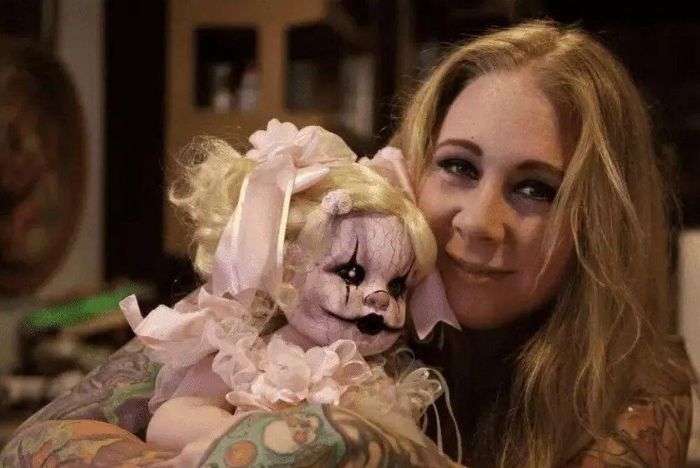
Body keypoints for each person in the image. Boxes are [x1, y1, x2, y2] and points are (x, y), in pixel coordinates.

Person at [0, 19, 693, 467]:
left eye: (536, 189)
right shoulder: (295, 293)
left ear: (598, 221)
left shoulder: (637, 379)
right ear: (408, 169)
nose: (479, 222)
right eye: (458, 167)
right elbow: (34, 444)